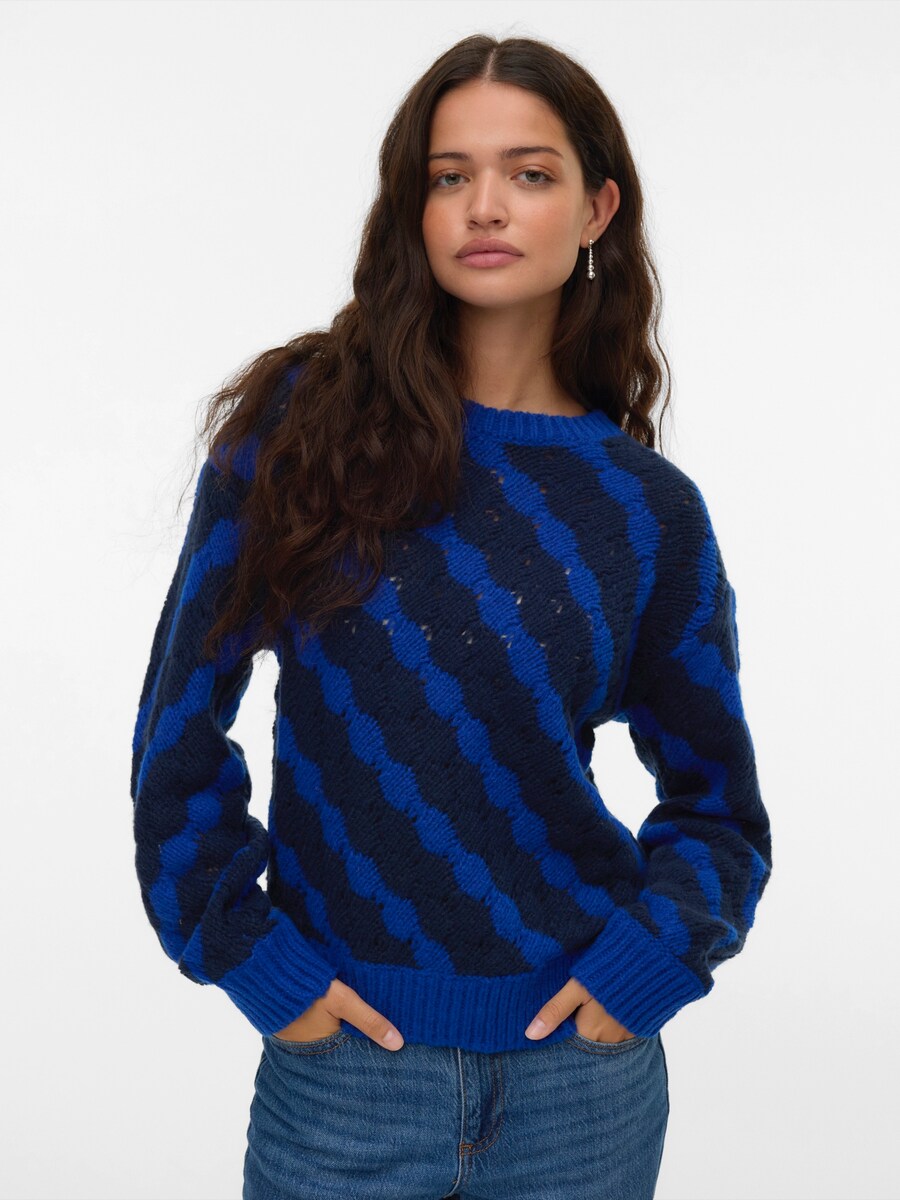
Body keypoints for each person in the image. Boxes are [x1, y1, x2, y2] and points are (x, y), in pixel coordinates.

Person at [130, 31, 772, 1200]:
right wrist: (250, 958)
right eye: (449, 175)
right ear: (412, 208)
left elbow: (720, 813)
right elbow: (176, 730)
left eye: (530, 173)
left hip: (583, 1094)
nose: (486, 205)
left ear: (597, 210)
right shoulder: (300, 430)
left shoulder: (647, 512)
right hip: (344, 1082)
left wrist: (643, 970)